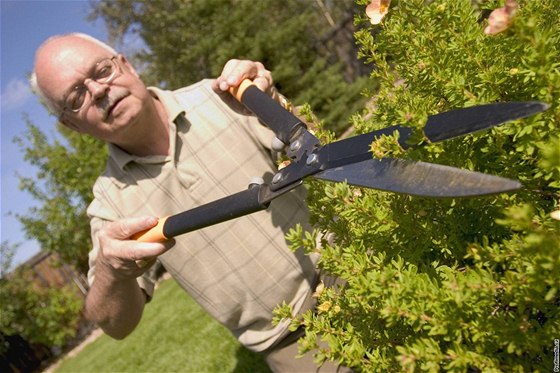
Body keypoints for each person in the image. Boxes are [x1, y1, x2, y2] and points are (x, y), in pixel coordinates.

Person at [31, 33, 351, 373]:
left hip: (348, 266)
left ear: (126, 65)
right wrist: (112, 273)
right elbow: (115, 325)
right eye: (76, 96)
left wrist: (269, 101)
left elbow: (325, 156)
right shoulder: (110, 205)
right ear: (71, 124)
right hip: (291, 339)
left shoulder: (219, 96)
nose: (97, 91)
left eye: (101, 71)